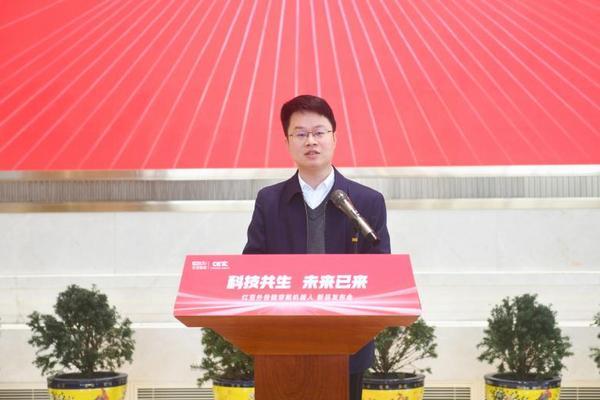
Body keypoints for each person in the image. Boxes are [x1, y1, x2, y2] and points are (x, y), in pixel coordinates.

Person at [243, 94, 391, 400]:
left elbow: (381, 272)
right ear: (287, 142)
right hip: (282, 343)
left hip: (347, 344)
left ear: (334, 138)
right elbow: (252, 266)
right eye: (300, 134)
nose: (311, 141)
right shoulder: (269, 201)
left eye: (319, 132)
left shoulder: (367, 202)